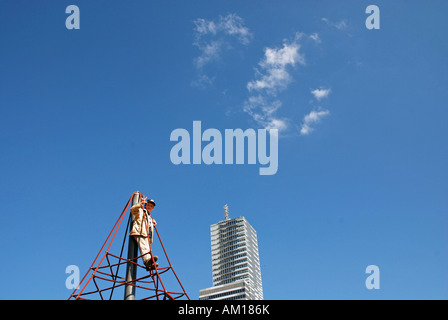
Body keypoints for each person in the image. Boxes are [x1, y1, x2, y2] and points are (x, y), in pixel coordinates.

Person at [130, 197, 158, 271]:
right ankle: (147, 261)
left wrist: (153, 223)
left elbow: (149, 225)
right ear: (145, 205)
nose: (149, 207)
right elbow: (133, 210)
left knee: (148, 249)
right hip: (140, 232)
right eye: (148, 205)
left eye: (151, 206)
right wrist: (140, 204)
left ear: (153, 208)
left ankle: (150, 264)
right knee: (143, 247)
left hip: (147, 234)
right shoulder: (141, 211)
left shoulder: (149, 216)